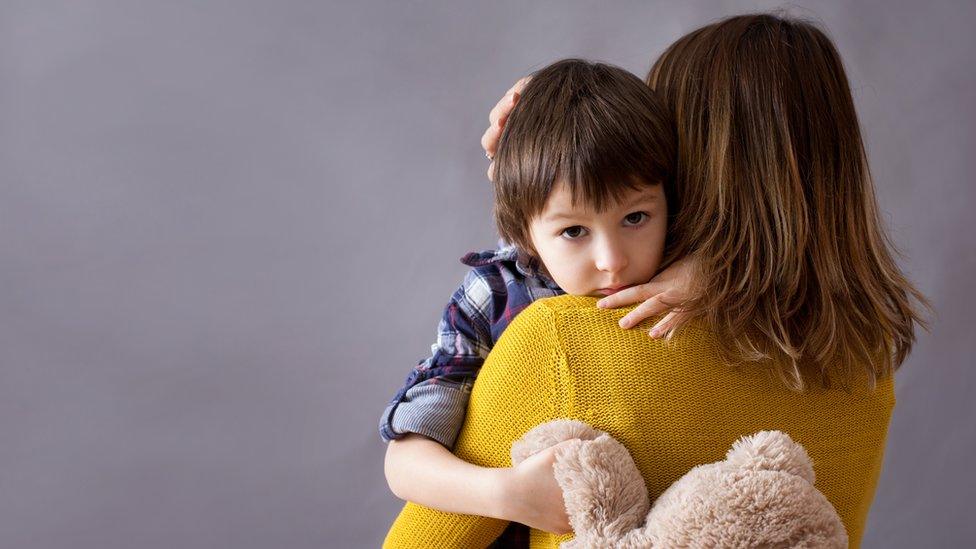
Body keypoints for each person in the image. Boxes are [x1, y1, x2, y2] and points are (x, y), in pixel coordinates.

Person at [383, 13, 927, 549]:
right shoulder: (865, 363)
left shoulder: (564, 340)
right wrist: (551, 125)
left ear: (684, 161)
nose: (611, 259)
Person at [380, 58, 679, 537]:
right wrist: (507, 494)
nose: (612, 260)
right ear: (524, 232)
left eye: (636, 218)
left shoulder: (680, 266)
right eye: (574, 230)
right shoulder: (499, 295)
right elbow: (405, 459)